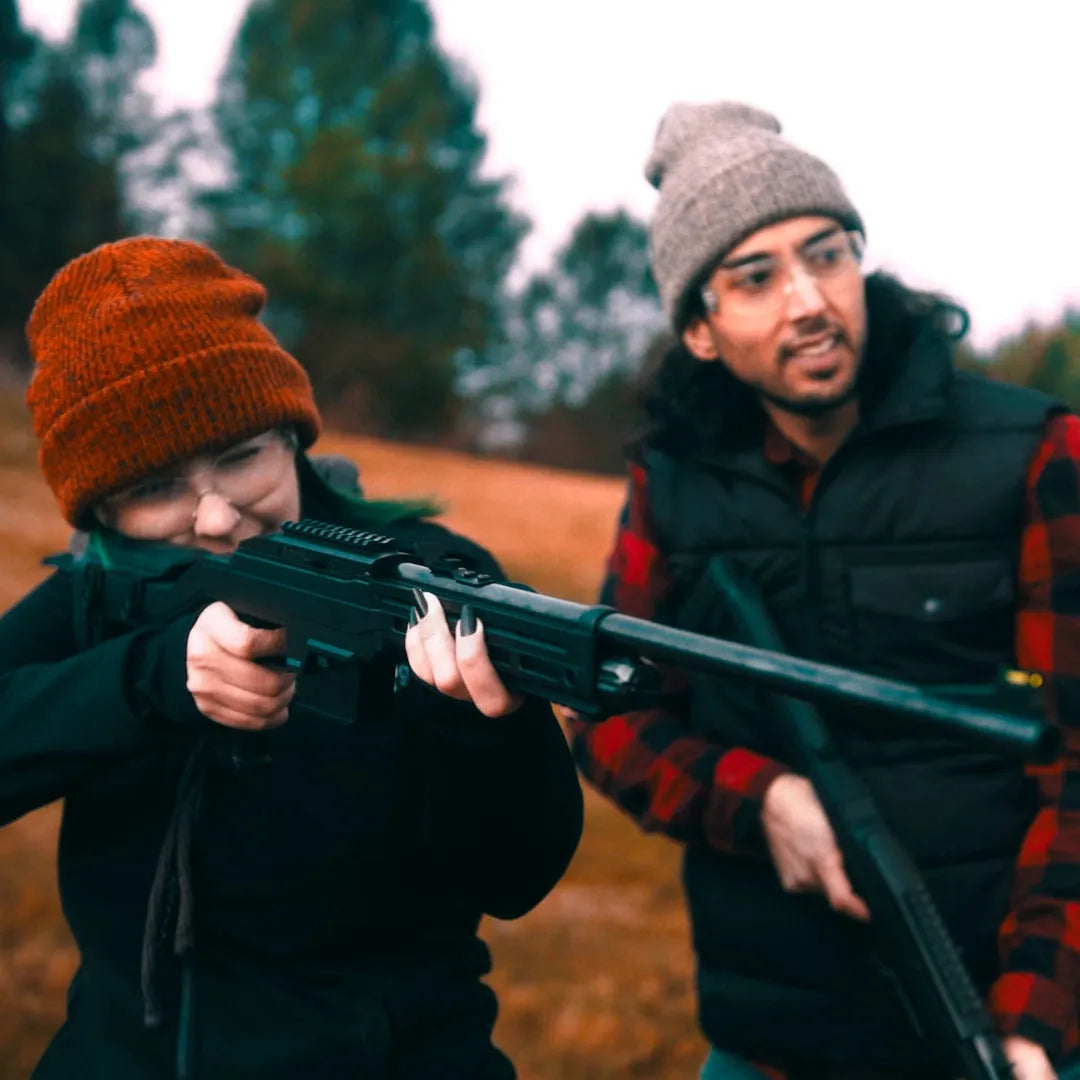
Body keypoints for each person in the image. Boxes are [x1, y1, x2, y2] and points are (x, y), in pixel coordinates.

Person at [567, 101, 1080, 1080]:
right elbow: (611, 717)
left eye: (827, 255)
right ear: (701, 329)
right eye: (755, 278)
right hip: (771, 1042)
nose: (808, 301)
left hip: (1007, 1036)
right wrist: (758, 800)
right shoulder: (673, 483)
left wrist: (1032, 1028)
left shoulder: (1031, 454)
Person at [0, 236, 583, 1079]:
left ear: (291, 438)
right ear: (100, 514)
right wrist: (154, 678)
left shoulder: (429, 577)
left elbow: (515, 875)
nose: (214, 518)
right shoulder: (95, 596)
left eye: (241, 458)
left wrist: (485, 731)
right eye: (155, 488)